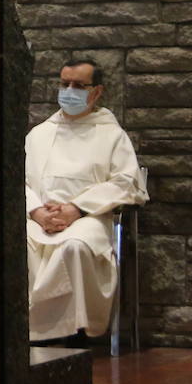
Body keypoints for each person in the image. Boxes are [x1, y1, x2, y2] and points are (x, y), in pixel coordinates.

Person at [27, 59, 146, 342]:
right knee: (17, 248)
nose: (69, 90)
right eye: (64, 83)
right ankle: (27, 331)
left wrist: (76, 208)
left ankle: (72, 334)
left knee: (75, 248)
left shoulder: (112, 135)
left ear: (96, 92)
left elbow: (126, 182)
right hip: (39, 218)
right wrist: (36, 212)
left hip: (88, 218)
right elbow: (19, 179)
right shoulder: (39, 134)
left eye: (78, 86)